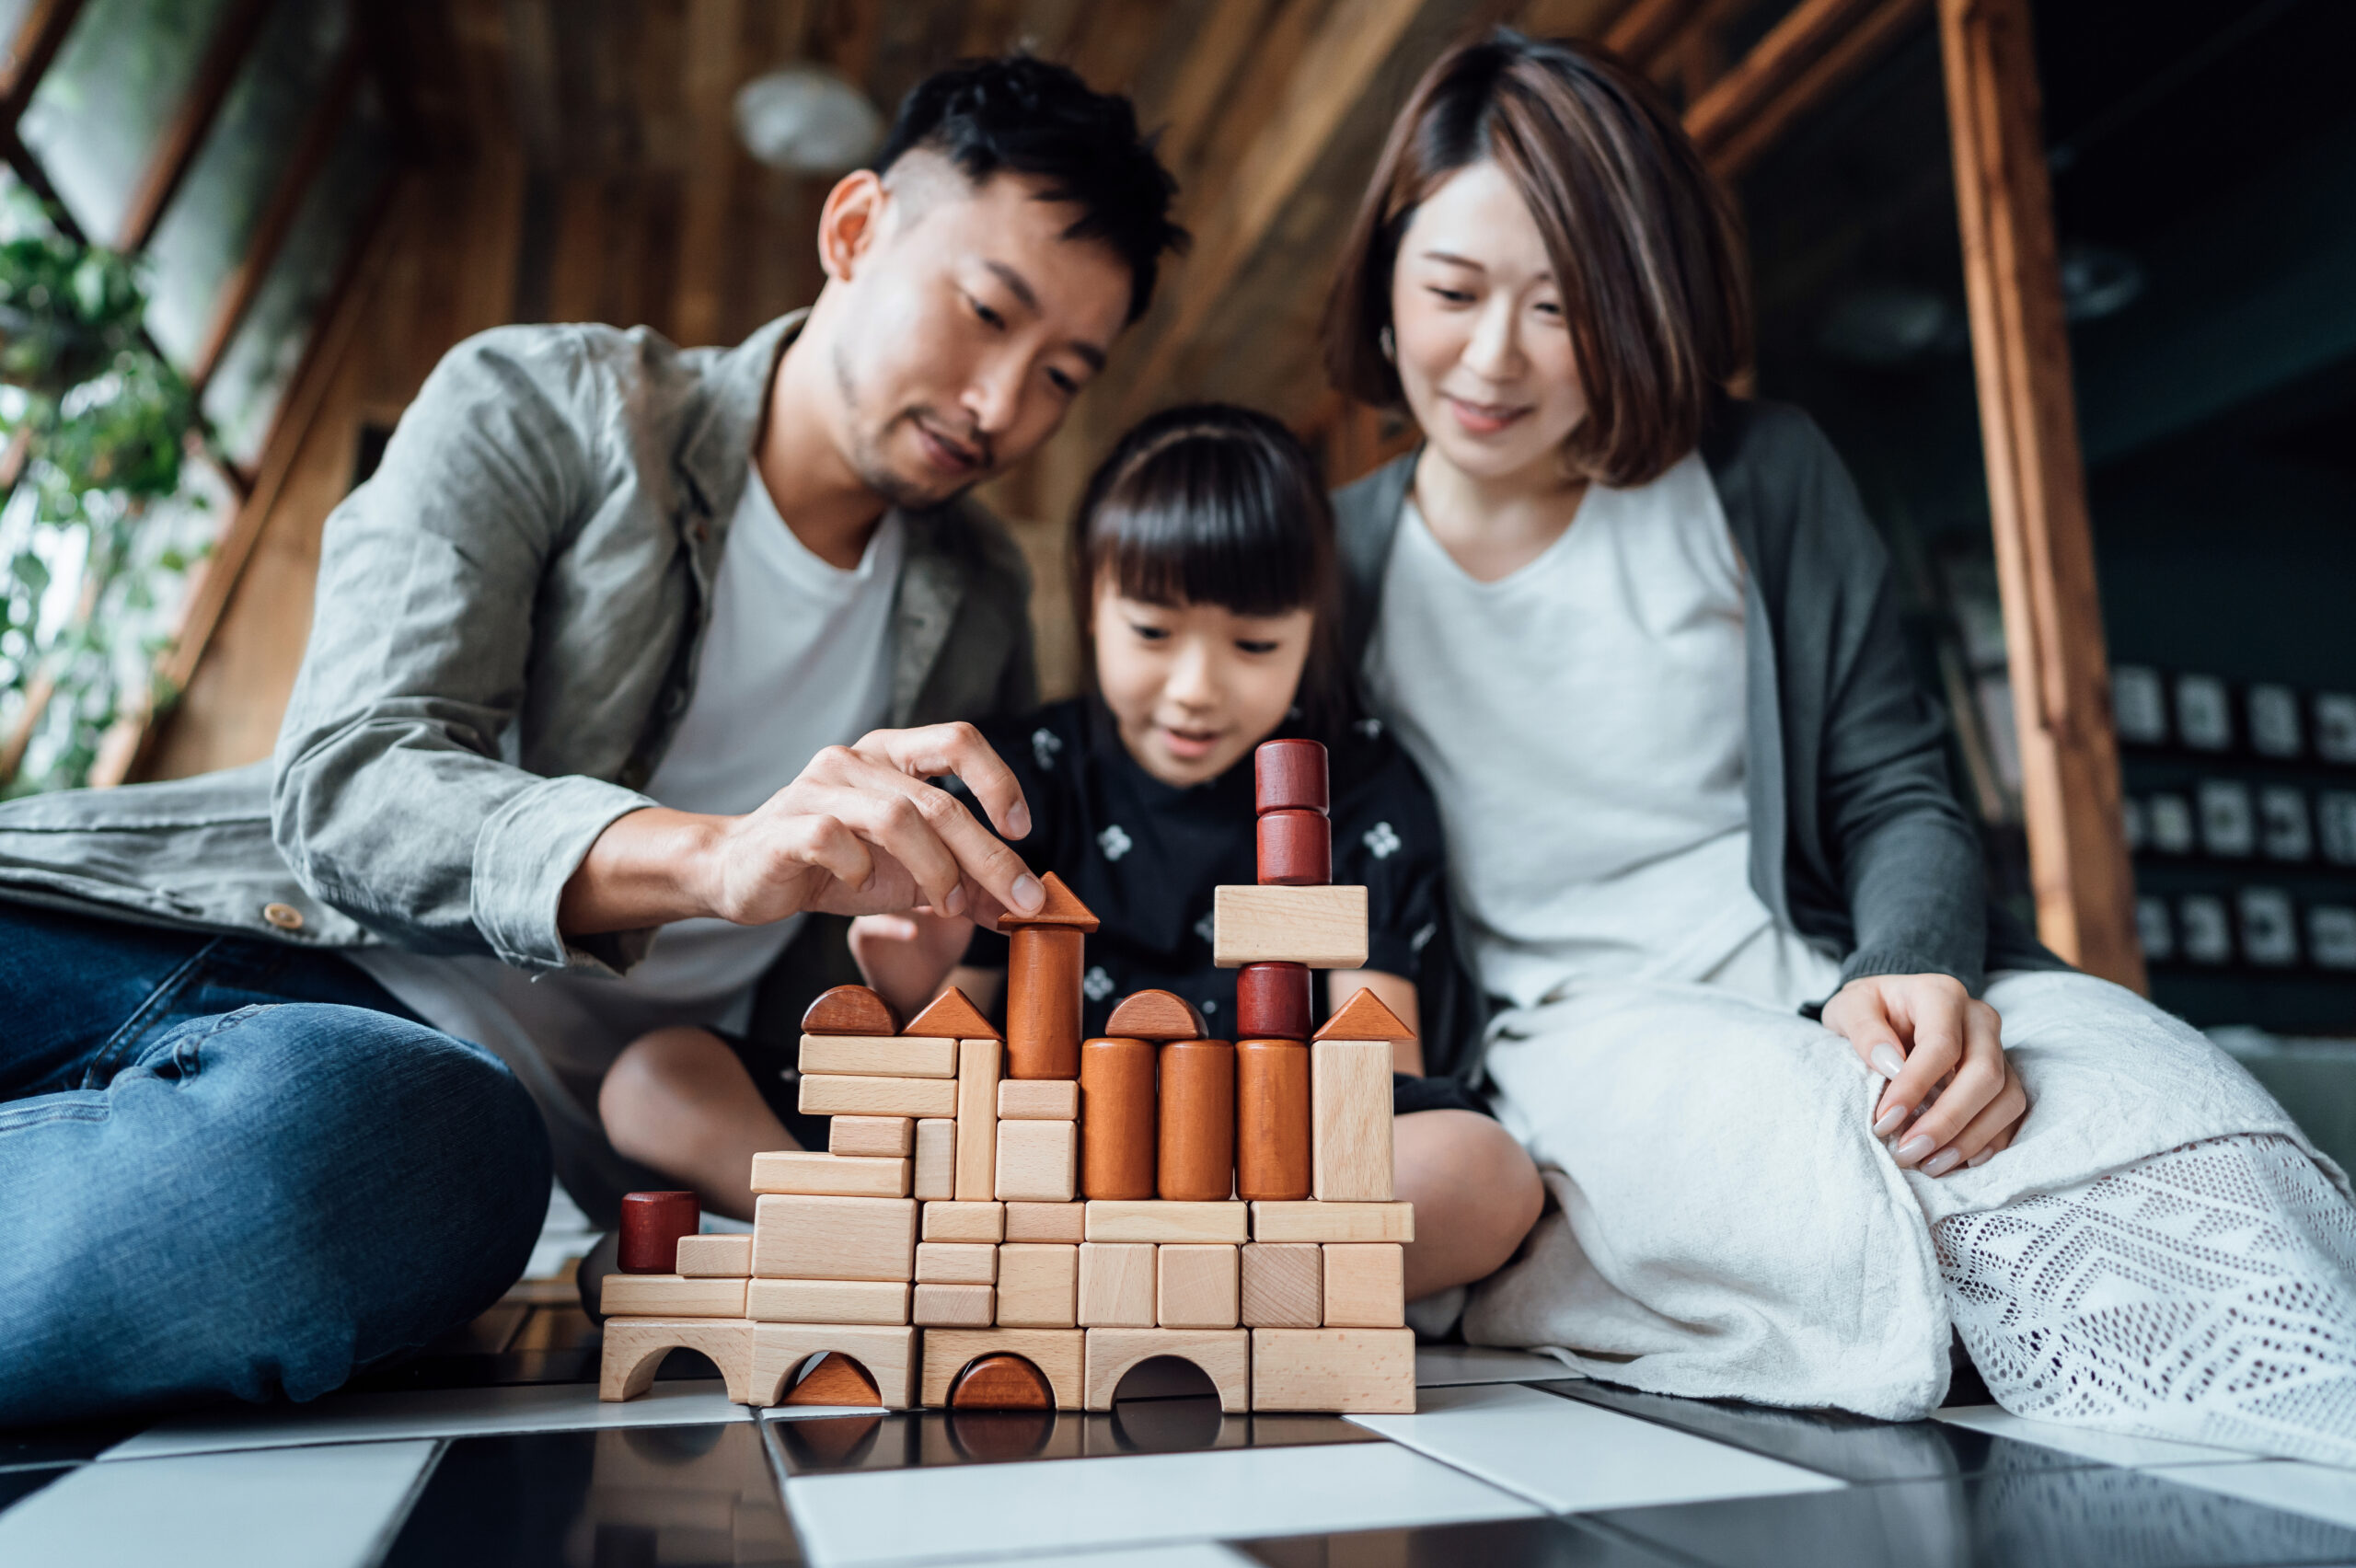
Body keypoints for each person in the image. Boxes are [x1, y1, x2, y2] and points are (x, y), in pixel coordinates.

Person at [0, 54, 1185, 1424]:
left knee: (397, 1156)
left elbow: (877, 996)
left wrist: (919, 985)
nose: (1001, 406)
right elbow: (352, 783)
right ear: (855, 229)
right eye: (984, 313)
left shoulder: (980, 604)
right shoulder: (545, 405)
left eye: (1062, 377)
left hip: (427, 1106)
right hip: (194, 927)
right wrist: (714, 857)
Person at [1322, 29, 2356, 1462]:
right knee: (1838, 1179)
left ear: (1637, 311)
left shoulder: (1759, 476)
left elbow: (1894, 787)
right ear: (1386, 278)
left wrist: (1916, 970)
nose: (1490, 358)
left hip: (1838, 959)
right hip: (1580, 1028)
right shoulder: (1330, 571)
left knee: (2177, 1119)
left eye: (1560, 309)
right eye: (1451, 291)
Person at [600, 404, 1545, 1297]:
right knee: (655, 1080)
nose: (1194, 690)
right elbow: (950, 1070)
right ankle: (998, 1264)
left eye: (1255, 645)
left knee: (1484, 1173)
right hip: (1023, 1159)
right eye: (1151, 632)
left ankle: (966, 1273)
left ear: (1312, 634)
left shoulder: (1364, 790)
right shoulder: (1022, 775)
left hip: (1252, 1169)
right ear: (1090, 604)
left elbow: (1379, 1075)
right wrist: (913, 987)